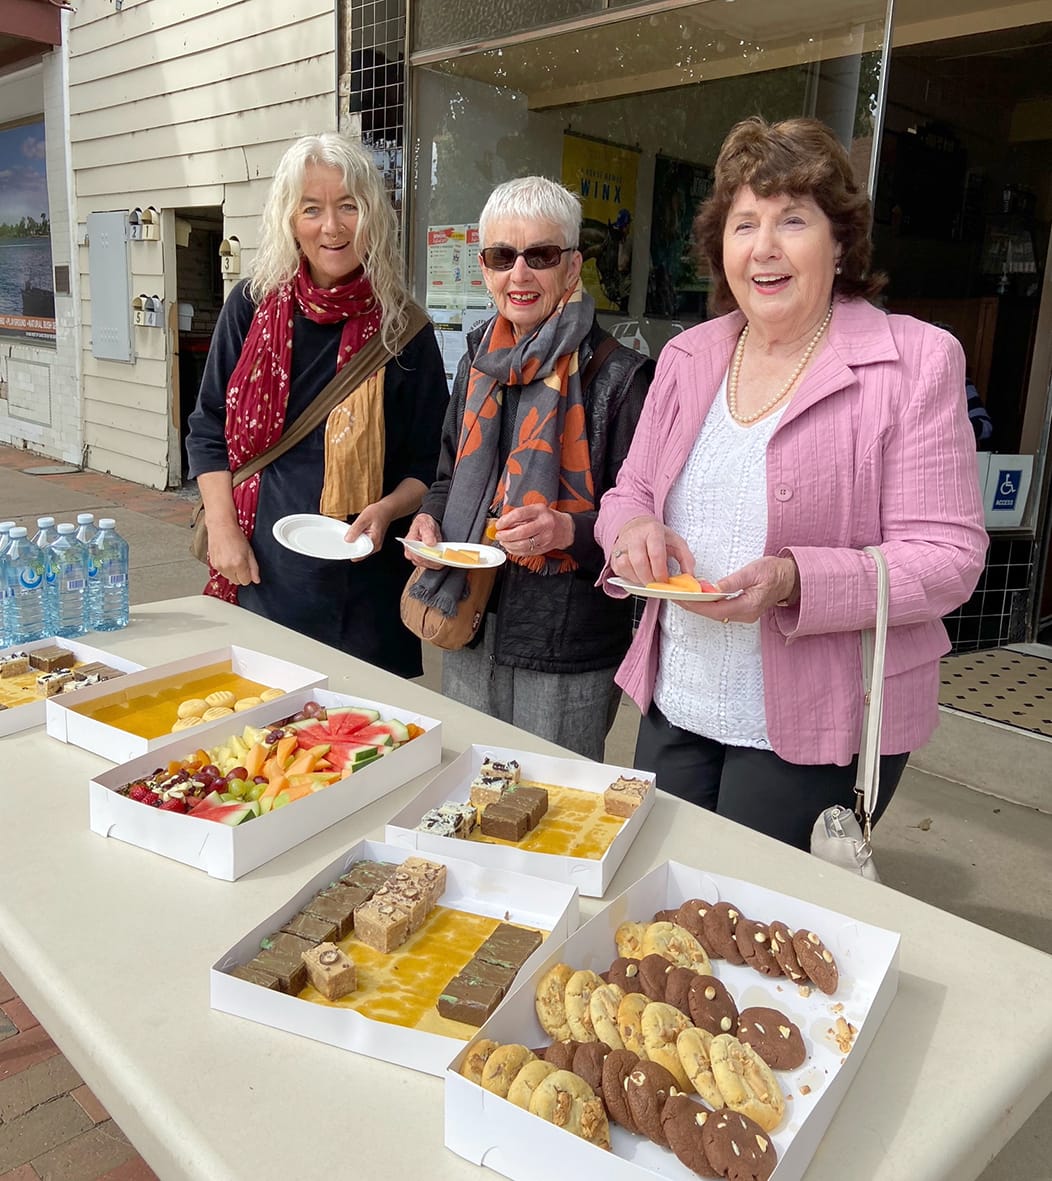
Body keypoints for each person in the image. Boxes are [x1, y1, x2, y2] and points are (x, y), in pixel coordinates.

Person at [595, 116, 988, 849]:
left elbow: (948, 557)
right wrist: (631, 531)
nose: (764, 248)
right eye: (745, 224)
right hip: (678, 698)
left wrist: (794, 579)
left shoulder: (916, 361)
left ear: (840, 243)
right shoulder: (688, 357)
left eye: (793, 220)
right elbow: (628, 492)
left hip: (819, 721)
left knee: (758, 936)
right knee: (661, 902)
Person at [404, 176, 653, 760]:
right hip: (468, 618)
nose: (519, 274)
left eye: (540, 255)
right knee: (470, 791)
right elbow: (446, 478)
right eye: (501, 256)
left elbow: (647, 519)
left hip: (564, 645)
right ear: (484, 269)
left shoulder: (622, 378)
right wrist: (430, 522)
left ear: (572, 268)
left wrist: (566, 530)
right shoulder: (476, 365)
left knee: (551, 808)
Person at [186, 132, 447, 678]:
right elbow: (207, 425)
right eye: (313, 209)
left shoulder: (405, 328)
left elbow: (427, 463)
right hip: (261, 570)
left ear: (372, 214)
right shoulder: (252, 304)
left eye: (348, 205)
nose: (331, 226)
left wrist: (388, 510)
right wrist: (224, 532)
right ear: (290, 219)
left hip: (364, 586)